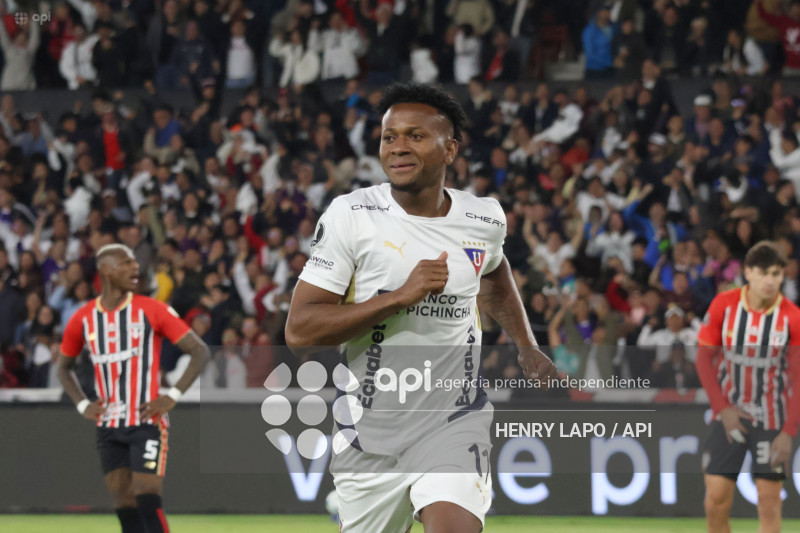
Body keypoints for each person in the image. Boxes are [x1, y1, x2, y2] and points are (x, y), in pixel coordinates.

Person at [285, 83, 558, 533]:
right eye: (389, 137)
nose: (398, 147)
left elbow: (493, 272)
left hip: (452, 418)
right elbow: (299, 333)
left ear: (450, 149)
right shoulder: (351, 215)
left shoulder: (484, 218)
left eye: (415, 136)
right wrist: (398, 297)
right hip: (368, 433)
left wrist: (526, 345)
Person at [57, 244, 210, 533]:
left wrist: (172, 395)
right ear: (105, 270)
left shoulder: (152, 309)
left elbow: (200, 351)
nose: (135, 267)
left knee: (147, 500)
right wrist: (83, 404)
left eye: (134, 262)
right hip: (108, 426)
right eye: (126, 263)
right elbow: (63, 367)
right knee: (125, 507)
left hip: (146, 422)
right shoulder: (84, 318)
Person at [696, 241, 800, 533]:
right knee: (715, 500)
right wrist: (722, 409)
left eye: (776, 274)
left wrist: (788, 431)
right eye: (764, 273)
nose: (770, 281)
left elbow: (798, 378)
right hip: (729, 414)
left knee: (769, 501)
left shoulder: (792, 317)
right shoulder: (724, 305)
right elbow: (703, 359)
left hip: (771, 419)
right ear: (748, 272)